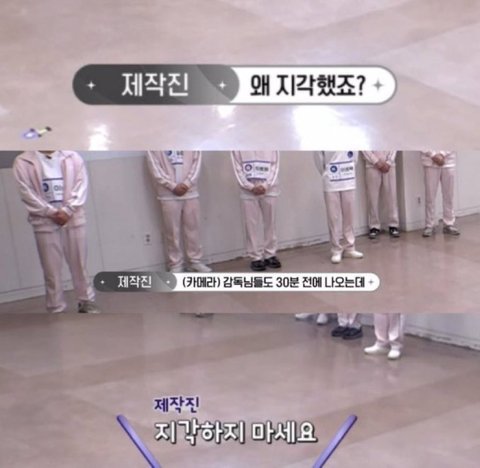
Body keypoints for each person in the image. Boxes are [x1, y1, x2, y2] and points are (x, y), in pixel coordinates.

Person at [13, 150, 99, 314]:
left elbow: (81, 186)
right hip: (44, 221)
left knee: (79, 264)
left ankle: (86, 300)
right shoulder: (23, 161)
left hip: (73, 218)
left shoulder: (73, 157)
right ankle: (55, 307)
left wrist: (68, 210)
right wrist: (50, 212)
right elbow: (26, 193)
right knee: (51, 269)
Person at [313, 151, 364, 340]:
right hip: (331, 178)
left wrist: (347, 167)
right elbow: (318, 158)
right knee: (334, 217)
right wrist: (326, 172)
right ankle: (336, 248)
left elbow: (355, 155)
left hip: (348, 176)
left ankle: (349, 246)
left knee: (349, 214)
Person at [146, 151, 211, 273]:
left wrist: (187, 184)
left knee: (193, 228)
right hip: (168, 194)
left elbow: (196, 164)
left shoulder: (192, 142)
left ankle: (195, 261)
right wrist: (172, 186)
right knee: (172, 231)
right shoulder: (153, 145)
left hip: (190, 192)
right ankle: (175, 264)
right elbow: (156, 170)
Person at [231, 151, 282, 271]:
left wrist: (266, 185)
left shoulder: (271, 142)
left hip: (269, 190)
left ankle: (270, 254)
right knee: (251, 224)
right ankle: (255, 257)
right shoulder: (237, 145)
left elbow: (275, 165)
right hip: (248, 192)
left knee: (270, 222)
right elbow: (237, 168)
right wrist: (249, 186)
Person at [421, 151, 460, 237]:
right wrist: (433, 155)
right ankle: (429, 225)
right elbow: (421, 143)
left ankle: (449, 223)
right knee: (430, 196)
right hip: (430, 162)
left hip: (448, 162)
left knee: (448, 196)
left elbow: (452, 142)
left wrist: (442, 154)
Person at [362, 151, 400, 239]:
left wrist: (389, 162)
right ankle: (374, 226)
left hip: (389, 166)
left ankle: (393, 224)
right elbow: (364, 148)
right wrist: (375, 161)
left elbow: (394, 145)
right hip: (372, 165)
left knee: (392, 196)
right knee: (372, 197)